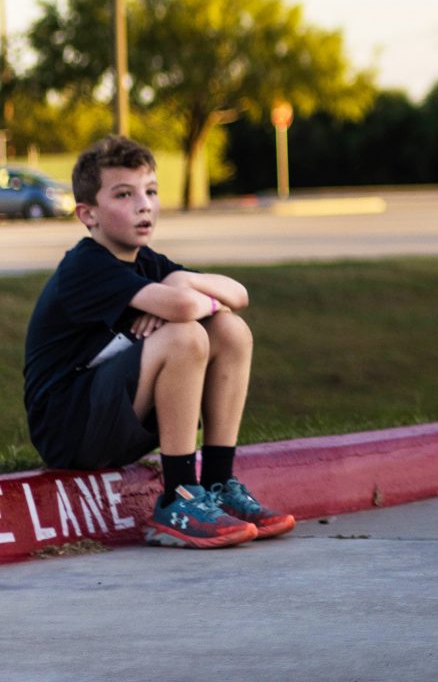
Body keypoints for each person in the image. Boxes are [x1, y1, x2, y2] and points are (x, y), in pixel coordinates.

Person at [23, 136, 295, 549]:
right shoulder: (85, 266)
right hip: (69, 429)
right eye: (124, 194)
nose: (144, 204)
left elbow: (238, 294)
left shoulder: (149, 263)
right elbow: (185, 309)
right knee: (184, 335)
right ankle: (179, 498)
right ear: (87, 214)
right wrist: (184, 301)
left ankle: (218, 482)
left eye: (150, 191)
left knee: (230, 330)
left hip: (115, 418)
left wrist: (179, 282)